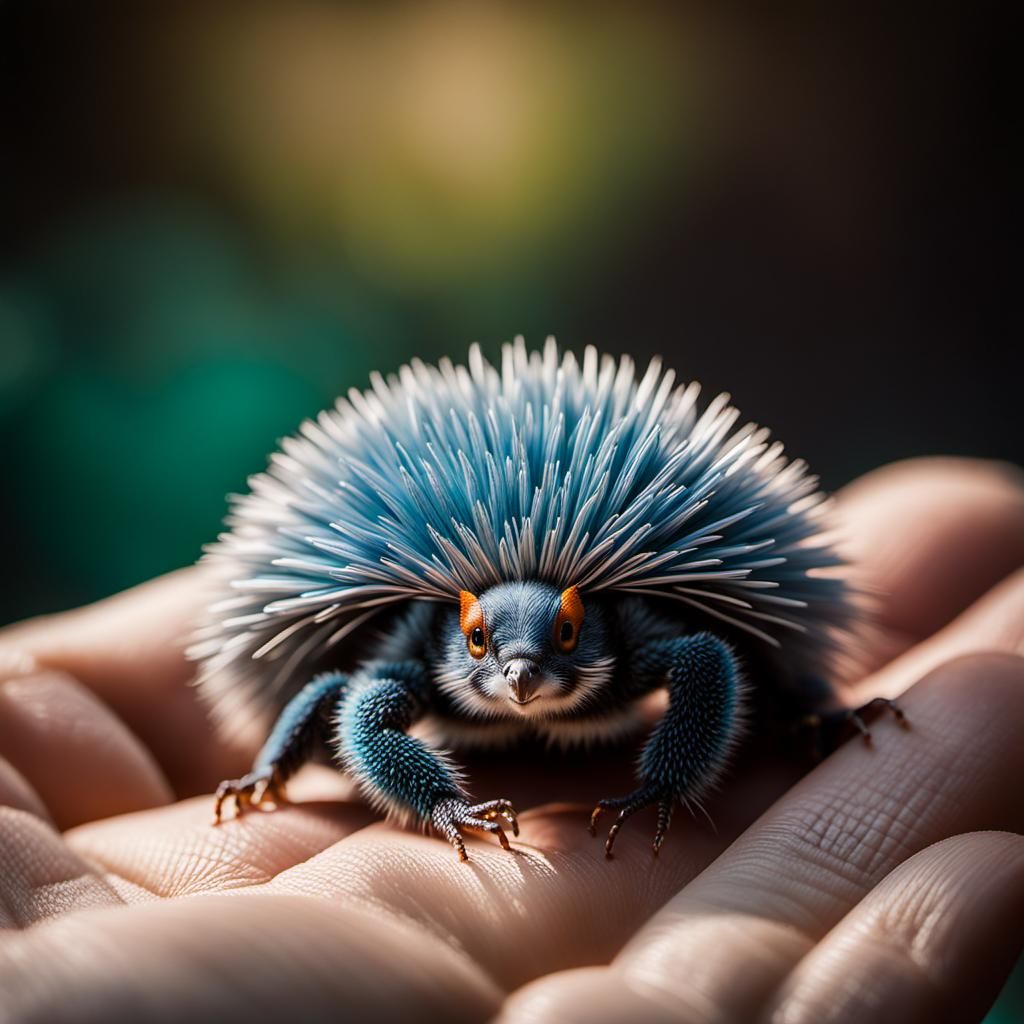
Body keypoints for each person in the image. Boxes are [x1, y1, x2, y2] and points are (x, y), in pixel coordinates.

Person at [0, 457, 1021, 1023]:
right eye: (490, 645)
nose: (522, 674)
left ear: (592, 617)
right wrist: (361, 786)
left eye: (557, 639)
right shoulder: (404, 660)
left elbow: (710, 660)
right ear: (455, 626)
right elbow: (340, 699)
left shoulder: (645, 638)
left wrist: (685, 767)